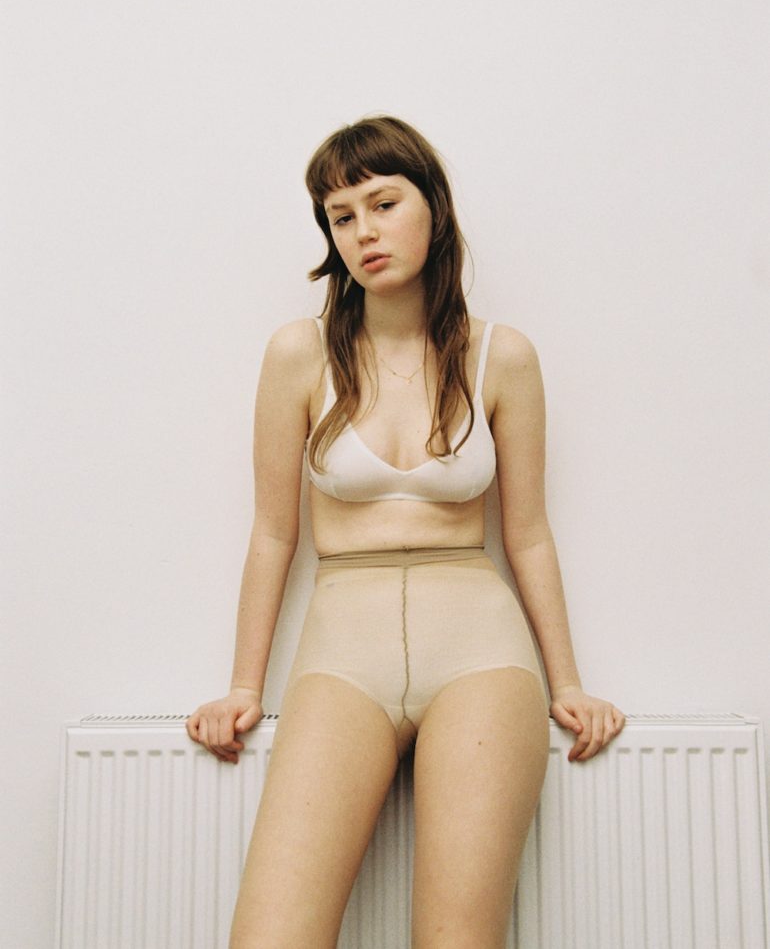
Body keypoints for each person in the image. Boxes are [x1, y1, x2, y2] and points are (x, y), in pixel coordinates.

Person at [187, 114, 626, 949]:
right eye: (341, 217)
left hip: (481, 656)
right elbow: (274, 533)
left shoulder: (503, 357)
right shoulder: (298, 355)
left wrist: (568, 682)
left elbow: (528, 535)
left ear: (434, 207)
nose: (364, 232)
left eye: (383, 204)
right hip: (342, 658)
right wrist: (244, 686)